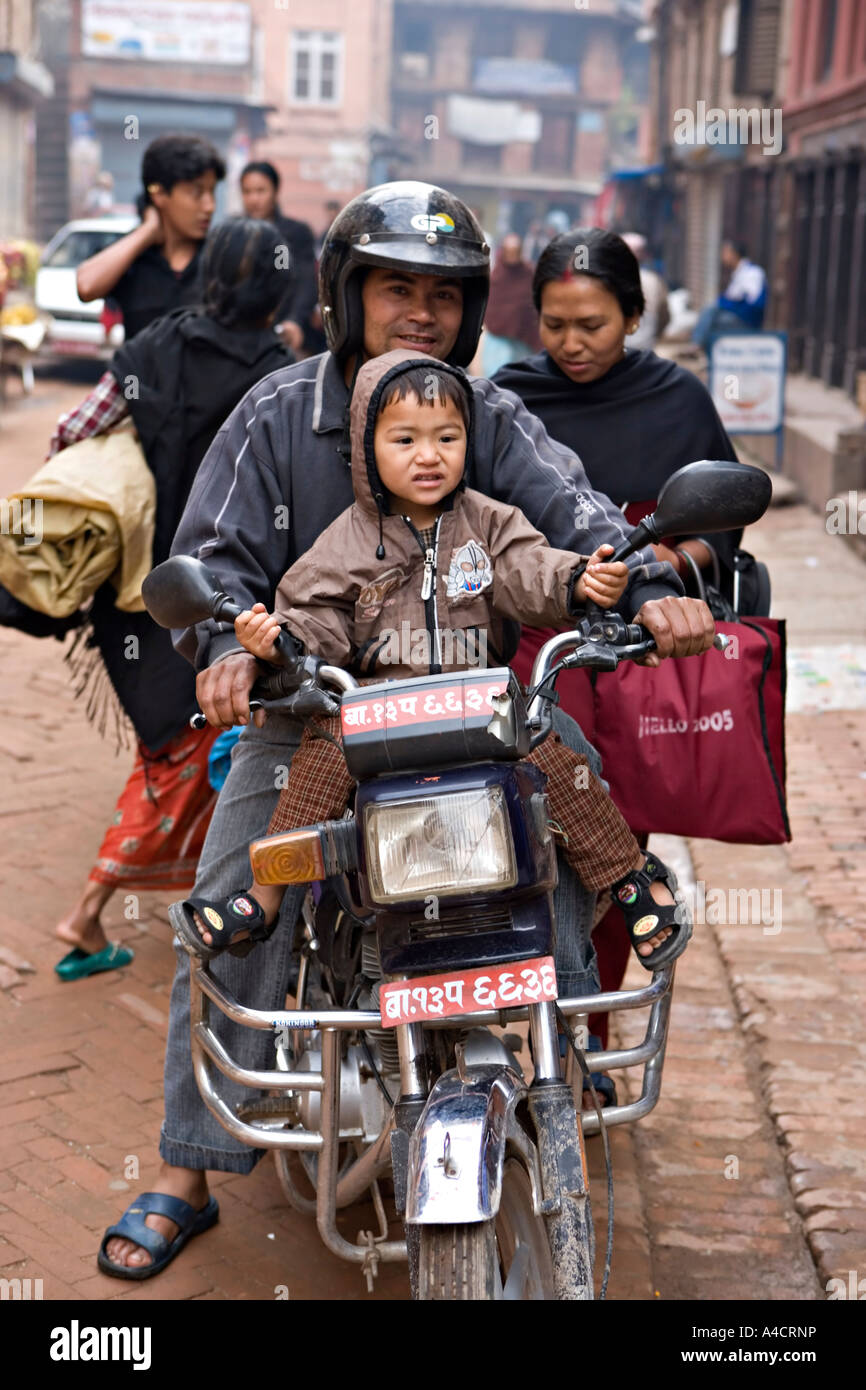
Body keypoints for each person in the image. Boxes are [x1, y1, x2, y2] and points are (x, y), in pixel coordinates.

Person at [98, 181, 714, 1279]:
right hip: (316, 719)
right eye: (396, 287)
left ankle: (554, 1058)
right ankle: (187, 1165)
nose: (421, 311)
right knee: (236, 892)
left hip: (475, 722)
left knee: (575, 816)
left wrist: (648, 585)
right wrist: (233, 650)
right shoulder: (278, 412)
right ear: (347, 295)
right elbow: (218, 560)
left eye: (443, 293)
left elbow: (572, 528)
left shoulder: (484, 416)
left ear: (472, 309)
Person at [176, 352, 686, 973]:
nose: (428, 455)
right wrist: (279, 641)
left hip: (480, 705)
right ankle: (264, 896)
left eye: (447, 437)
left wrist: (580, 580)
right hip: (376, 711)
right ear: (366, 450)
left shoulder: (490, 524)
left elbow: (530, 567)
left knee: (561, 765)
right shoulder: (345, 540)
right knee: (314, 766)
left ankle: (630, 879)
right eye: (405, 439)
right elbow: (317, 614)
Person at [492, 226, 743, 1047]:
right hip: (539, 650)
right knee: (529, 836)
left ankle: (586, 1044)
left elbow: (725, 529)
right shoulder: (510, 401)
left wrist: (673, 561)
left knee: (616, 839)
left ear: (633, 316)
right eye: (555, 324)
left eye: (592, 324)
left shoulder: (677, 400)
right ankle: (510, 1023)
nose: (571, 343)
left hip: (637, 654)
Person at [50, 218, 291, 981]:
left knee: (180, 748)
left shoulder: (151, 347)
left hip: (137, 591)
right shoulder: (283, 375)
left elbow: (69, 433)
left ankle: (178, 892)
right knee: (182, 754)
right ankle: (88, 913)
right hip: (230, 602)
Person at [76, 134, 225, 342]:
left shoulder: (221, 258)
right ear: (159, 194)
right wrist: (148, 230)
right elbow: (86, 286)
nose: (210, 206)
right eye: (196, 193)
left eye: (212, 192)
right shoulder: (133, 259)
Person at [239, 160, 317, 354]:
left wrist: (295, 320)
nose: (254, 199)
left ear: (275, 191)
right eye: (247, 192)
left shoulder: (294, 233)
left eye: (260, 191)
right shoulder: (235, 234)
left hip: (285, 332)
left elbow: (305, 280)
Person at [480, 233, 541, 377]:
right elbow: (492, 306)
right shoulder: (496, 276)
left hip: (522, 339)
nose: (512, 255)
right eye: (509, 250)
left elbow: (533, 303)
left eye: (516, 251)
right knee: (496, 377)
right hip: (498, 341)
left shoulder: (528, 273)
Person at [691, 239, 767, 351]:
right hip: (738, 317)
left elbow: (752, 303)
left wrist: (724, 303)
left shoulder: (751, 273)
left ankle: (697, 347)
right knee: (709, 316)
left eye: (725, 252)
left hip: (747, 321)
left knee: (711, 318)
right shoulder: (739, 272)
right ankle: (701, 349)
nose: (723, 256)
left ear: (734, 254)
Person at [620, 232, 669, 350]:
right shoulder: (654, 281)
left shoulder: (606, 280)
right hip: (644, 351)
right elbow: (664, 317)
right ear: (644, 255)